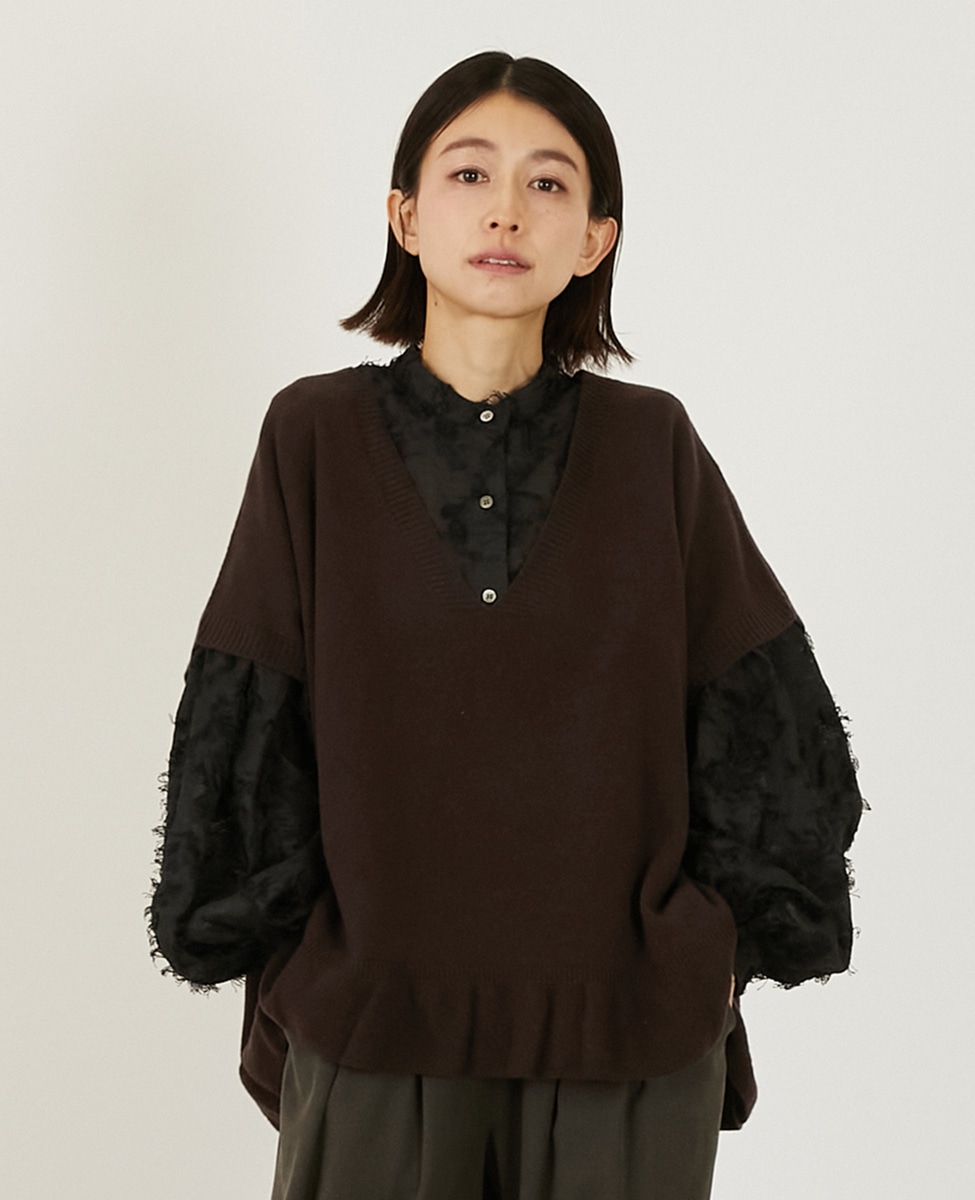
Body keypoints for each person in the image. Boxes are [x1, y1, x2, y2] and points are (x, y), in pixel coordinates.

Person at [148, 50, 864, 1200]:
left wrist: (709, 945)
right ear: (405, 215)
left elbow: (769, 719)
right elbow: (250, 721)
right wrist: (299, 963)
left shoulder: (652, 447)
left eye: (548, 183)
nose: (505, 210)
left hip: (630, 1043)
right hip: (374, 1028)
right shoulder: (313, 438)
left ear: (594, 238)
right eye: (470, 172)